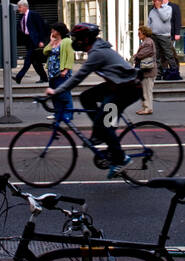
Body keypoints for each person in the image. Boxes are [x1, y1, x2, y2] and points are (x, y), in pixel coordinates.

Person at [46, 23, 141, 170]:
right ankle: (100, 134)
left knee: (105, 122)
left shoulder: (97, 53)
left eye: (77, 38)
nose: (74, 42)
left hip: (127, 89)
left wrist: (56, 91)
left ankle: (121, 159)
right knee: (86, 97)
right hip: (117, 85)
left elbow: (78, 77)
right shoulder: (96, 49)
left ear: (85, 39)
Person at [43, 23, 75, 123]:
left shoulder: (67, 41)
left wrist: (65, 70)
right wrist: (51, 42)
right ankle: (58, 113)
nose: (52, 32)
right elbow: (45, 52)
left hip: (61, 73)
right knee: (55, 94)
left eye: (53, 30)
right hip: (52, 73)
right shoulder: (55, 41)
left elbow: (70, 56)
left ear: (58, 31)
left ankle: (68, 114)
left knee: (65, 94)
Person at [13, 0, 48, 84]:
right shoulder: (21, 16)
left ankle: (19, 77)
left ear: (25, 6)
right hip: (28, 41)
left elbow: (41, 28)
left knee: (28, 59)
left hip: (35, 41)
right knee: (35, 61)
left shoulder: (33, 14)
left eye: (20, 7)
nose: (18, 9)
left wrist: (41, 41)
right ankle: (44, 78)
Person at [147, 0, 176, 77]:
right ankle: (159, 73)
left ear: (160, 1)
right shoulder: (152, 11)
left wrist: (159, 8)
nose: (153, 2)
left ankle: (174, 71)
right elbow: (149, 22)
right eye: (153, 1)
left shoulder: (168, 8)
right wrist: (148, 33)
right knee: (157, 55)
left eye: (155, 1)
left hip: (164, 35)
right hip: (154, 35)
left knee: (168, 54)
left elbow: (164, 18)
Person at [132, 24, 158, 113]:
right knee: (145, 90)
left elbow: (142, 54)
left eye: (139, 33)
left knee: (147, 91)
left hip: (148, 71)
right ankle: (146, 107)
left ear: (144, 33)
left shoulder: (148, 42)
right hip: (146, 71)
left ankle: (147, 108)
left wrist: (136, 56)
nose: (138, 34)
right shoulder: (146, 41)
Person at [159, 0, 183, 80]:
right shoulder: (157, 7)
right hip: (160, 34)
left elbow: (177, 21)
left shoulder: (174, 7)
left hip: (170, 34)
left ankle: (175, 70)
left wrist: (177, 33)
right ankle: (164, 71)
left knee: (170, 53)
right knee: (163, 54)